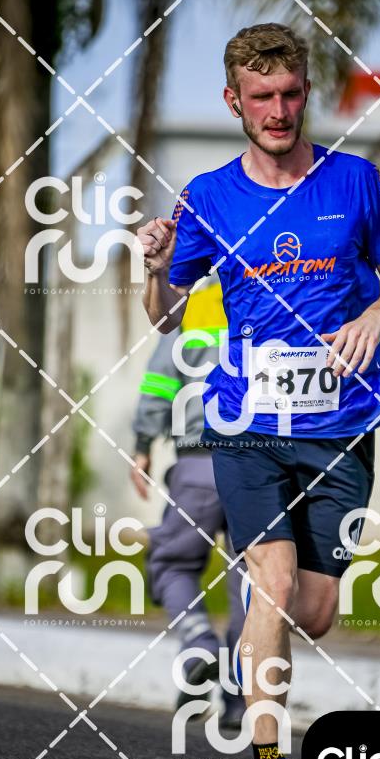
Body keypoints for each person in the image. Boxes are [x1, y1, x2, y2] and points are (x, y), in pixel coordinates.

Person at [138, 22, 380, 759]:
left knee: (314, 613)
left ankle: (255, 650)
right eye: (262, 96)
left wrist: (374, 314)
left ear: (306, 93)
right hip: (245, 426)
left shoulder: (357, 181)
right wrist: (153, 271)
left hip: (342, 424)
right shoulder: (208, 197)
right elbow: (165, 319)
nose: (279, 110)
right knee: (274, 581)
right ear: (235, 101)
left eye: (291, 94)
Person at [131, 278, 245, 728]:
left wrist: (143, 444)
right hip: (260, 467)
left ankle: (199, 643)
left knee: (171, 563)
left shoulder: (191, 307)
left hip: (198, 463)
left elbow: (161, 379)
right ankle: (240, 702)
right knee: (252, 585)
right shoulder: (271, 301)